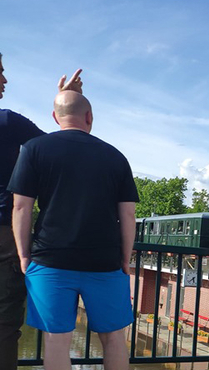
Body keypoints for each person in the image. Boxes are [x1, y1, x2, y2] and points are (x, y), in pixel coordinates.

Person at [9, 90, 139, 370]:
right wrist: (125, 260)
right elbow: (128, 214)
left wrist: (23, 255)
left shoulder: (34, 148)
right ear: (90, 117)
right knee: (114, 338)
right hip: (104, 263)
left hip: (50, 260)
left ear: (55, 117)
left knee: (57, 339)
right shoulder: (115, 156)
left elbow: (21, 207)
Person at [0, 52, 82, 370]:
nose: (5, 79)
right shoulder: (7, 122)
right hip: (6, 238)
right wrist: (69, 100)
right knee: (5, 326)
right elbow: (60, 151)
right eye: (0, 72)